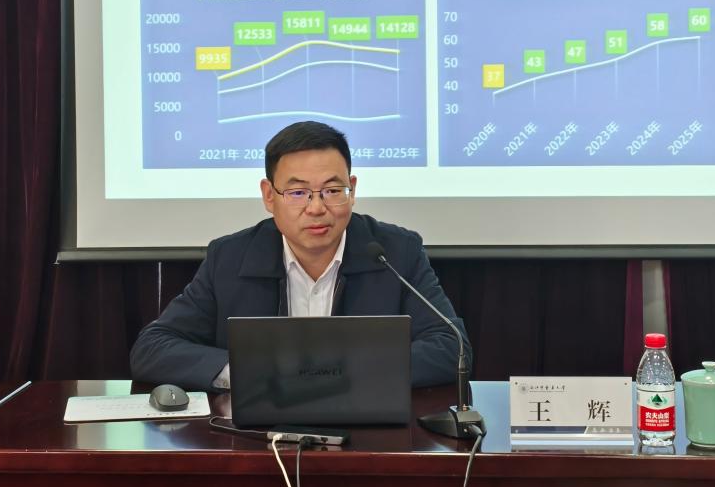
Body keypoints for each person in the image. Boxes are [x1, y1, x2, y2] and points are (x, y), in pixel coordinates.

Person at [130, 120, 470, 391]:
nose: (317, 207)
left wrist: (344, 372)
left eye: (332, 190)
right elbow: (152, 348)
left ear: (352, 190)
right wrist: (246, 374)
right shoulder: (231, 258)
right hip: (260, 436)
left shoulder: (395, 252)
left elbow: (452, 347)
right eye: (298, 192)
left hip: (368, 431)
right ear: (269, 195)